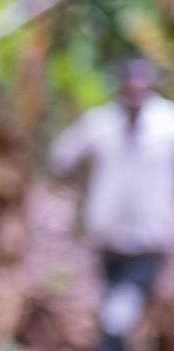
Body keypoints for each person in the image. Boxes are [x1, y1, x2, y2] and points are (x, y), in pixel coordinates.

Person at [50, 58, 174, 351]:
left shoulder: (168, 124)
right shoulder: (100, 123)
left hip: (150, 237)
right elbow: (62, 159)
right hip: (108, 236)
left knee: (118, 313)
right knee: (115, 303)